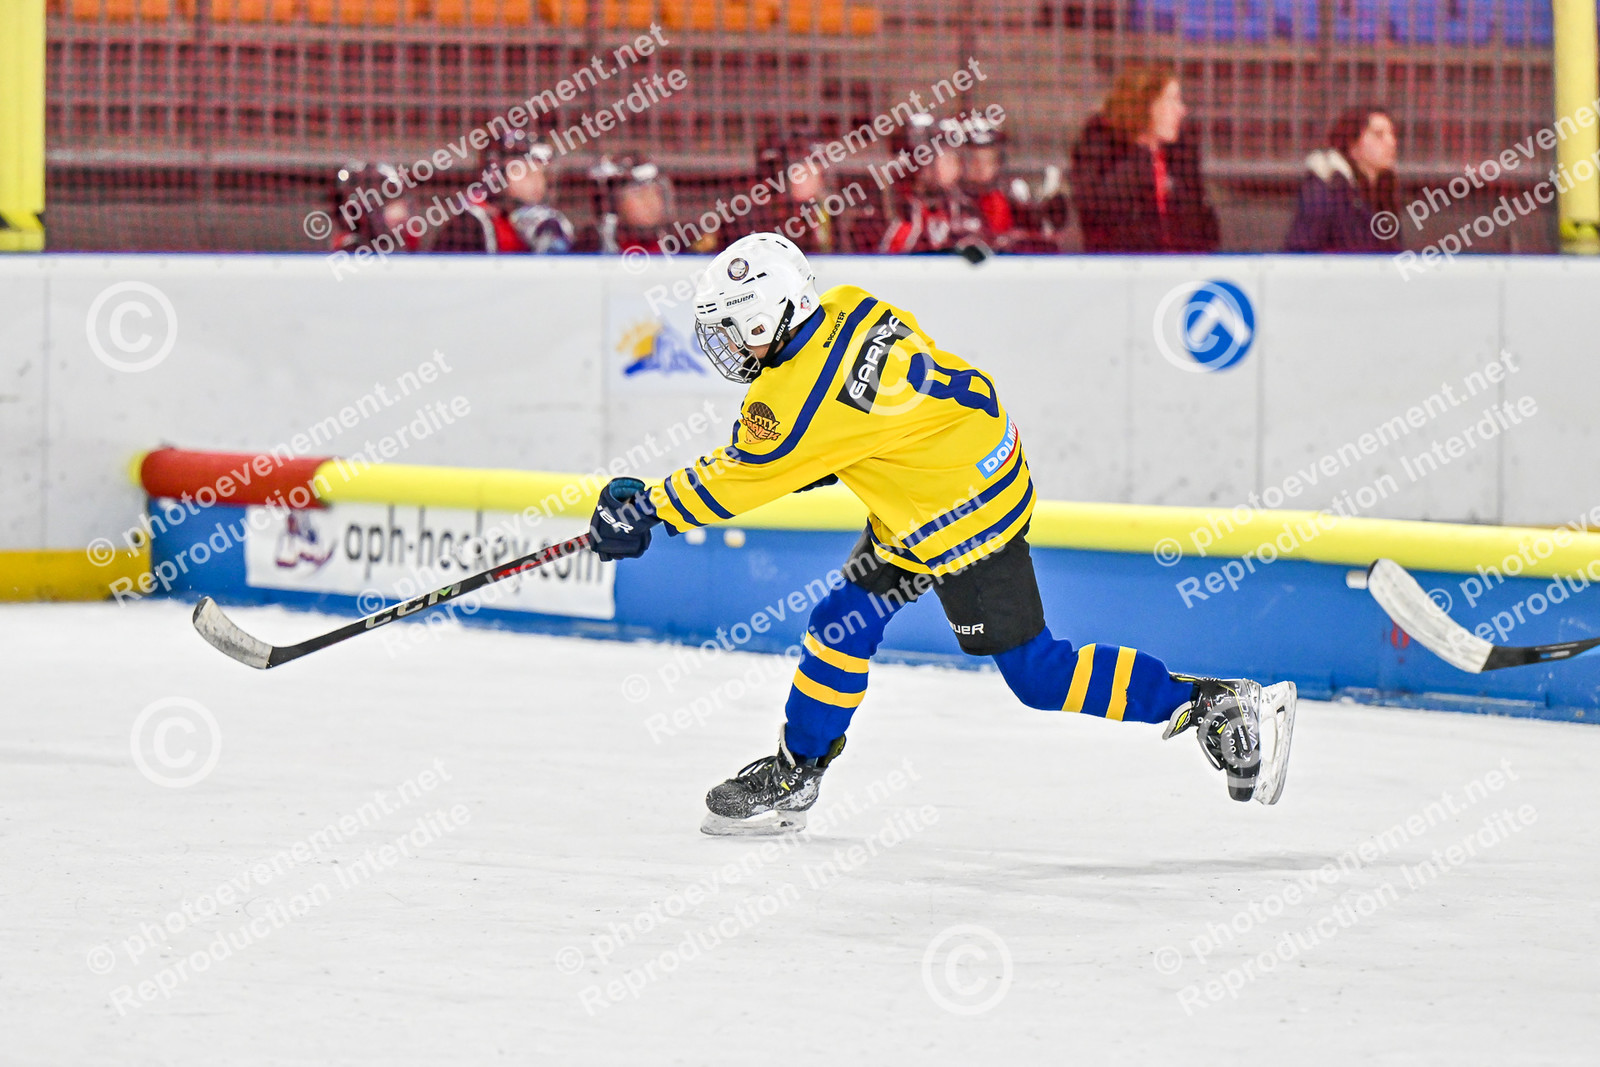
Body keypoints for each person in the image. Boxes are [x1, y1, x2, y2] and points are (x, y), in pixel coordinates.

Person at [586, 232, 1297, 836]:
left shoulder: (789, 399)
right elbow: (871, 416)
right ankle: (798, 770)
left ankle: (1211, 701)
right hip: (950, 477)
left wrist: (645, 508)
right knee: (839, 625)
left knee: (1037, 675)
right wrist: (834, 457)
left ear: (773, 313)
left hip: (963, 517)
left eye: (735, 326)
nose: (726, 345)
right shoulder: (850, 304)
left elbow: (737, 479)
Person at [1071, 62, 1219, 253]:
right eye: (1172, 100)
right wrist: (1141, 155)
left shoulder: (1181, 155)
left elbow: (1205, 229)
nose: (1181, 110)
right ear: (1145, 106)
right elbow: (1098, 214)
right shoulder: (1101, 148)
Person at [1283, 106, 1400, 253]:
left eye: (1392, 134)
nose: (1391, 142)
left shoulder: (1385, 192)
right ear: (1353, 144)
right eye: (1378, 135)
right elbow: (1301, 253)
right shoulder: (1327, 191)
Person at [880, 114, 987, 255]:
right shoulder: (904, 211)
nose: (956, 166)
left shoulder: (962, 204)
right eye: (948, 159)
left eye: (956, 158)